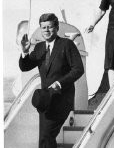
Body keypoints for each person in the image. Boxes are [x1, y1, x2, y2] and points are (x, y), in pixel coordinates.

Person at [19, 13, 84, 148]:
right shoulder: (39, 47)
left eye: (49, 27)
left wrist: (60, 83)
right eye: (43, 28)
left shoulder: (67, 44)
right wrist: (24, 52)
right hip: (45, 101)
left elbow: (78, 69)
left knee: (47, 135)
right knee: (44, 138)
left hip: (62, 99)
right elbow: (25, 67)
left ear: (57, 27)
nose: (46, 31)